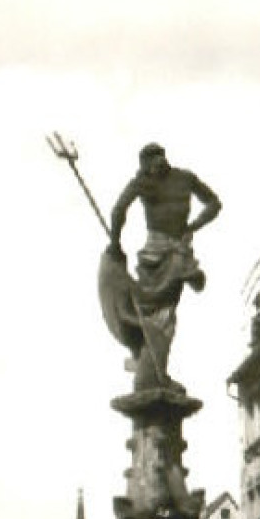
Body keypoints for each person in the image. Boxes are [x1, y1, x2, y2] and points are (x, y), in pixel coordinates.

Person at [98, 144, 222, 390]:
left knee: (160, 314)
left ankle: (151, 369)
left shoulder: (167, 179)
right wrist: (114, 242)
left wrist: (115, 242)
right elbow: (118, 211)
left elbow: (118, 211)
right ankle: (151, 369)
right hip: (165, 253)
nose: (155, 167)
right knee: (158, 314)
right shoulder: (152, 180)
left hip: (168, 250)